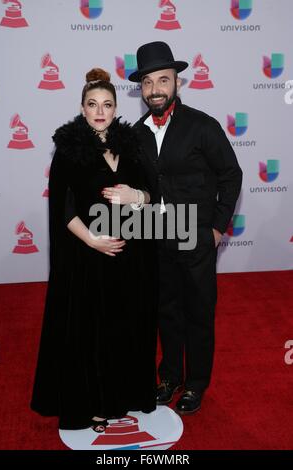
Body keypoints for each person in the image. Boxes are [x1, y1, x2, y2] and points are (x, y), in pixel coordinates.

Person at [31, 68, 158, 432]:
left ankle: (124, 394)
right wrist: (92, 240)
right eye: (92, 104)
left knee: (124, 328)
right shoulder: (69, 149)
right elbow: (62, 209)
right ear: (82, 108)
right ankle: (93, 401)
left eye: (107, 104)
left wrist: (139, 196)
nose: (100, 111)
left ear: (117, 108)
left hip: (131, 258)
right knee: (92, 332)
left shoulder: (132, 145)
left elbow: (152, 195)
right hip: (88, 257)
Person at [129, 42, 243, 415]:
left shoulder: (202, 126)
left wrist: (217, 227)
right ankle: (171, 376)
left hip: (196, 237)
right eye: (148, 82)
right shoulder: (136, 133)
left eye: (163, 80)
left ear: (177, 82)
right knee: (167, 311)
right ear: (141, 89)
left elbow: (231, 174)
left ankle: (196, 383)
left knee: (198, 311)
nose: (156, 89)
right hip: (156, 237)